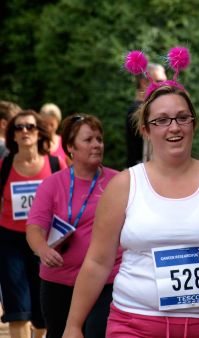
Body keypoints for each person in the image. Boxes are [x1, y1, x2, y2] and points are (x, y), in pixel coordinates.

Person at [63, 47, 199, 338]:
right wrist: (73, 325)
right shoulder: (125, 185)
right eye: (161, 120)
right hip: (133, 326)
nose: (173, 127)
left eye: (182, 117)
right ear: (145, 129)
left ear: (194, 123)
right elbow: (98, 261)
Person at [26, 113, 122, 338]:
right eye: (88, 140)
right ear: (70, 147)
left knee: (96, 332)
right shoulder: (52, 184)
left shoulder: (118, 182)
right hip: (59, 281)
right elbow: (34, 227)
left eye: (99, 139)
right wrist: (43, 250)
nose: (97, 145)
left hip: (106, 281)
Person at [0, 109, 67, 338]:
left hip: (45, 243)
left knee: (41, 315)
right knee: (17, 310)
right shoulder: (4, 166)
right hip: (11, 243)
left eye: (30, 126)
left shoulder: (56, 164)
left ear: (40, 133)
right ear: (13, 136)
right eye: (19, 128)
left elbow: (69, 202)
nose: (25, 131)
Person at [126, 62, 167, 167]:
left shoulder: (148, 107)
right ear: (144, 82)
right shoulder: (138, 110)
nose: (165, 85)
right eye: (159, 81)